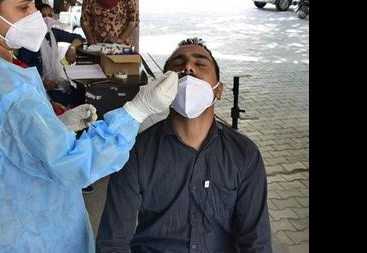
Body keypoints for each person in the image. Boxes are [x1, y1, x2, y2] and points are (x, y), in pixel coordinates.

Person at [0, 0, 179, 252]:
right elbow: (71, 164)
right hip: (18, 235)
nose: (34, 15)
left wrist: (53, 125)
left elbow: (1, 136)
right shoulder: (4, 84)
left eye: (34, 4)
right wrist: (137, 111)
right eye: (23, 7)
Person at [96, 38, 272, 253]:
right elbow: (113, 243)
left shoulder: (244, 154)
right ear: (163, 86)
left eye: (200, 64)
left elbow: (256, 242)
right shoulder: (135, 152)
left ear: (218, 90)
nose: (188, 67)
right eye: (178, 65)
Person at [18, 0, 83, 107]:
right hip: (38, 86)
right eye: (43, 16)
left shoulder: (53, 33)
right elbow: (23, 67)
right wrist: (42, 80)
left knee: (80, 94)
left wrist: (72, 48)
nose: (47, 18)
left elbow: (78, 38)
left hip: (54, 81)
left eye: (50, 15)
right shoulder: (29, 39)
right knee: (66, 101)